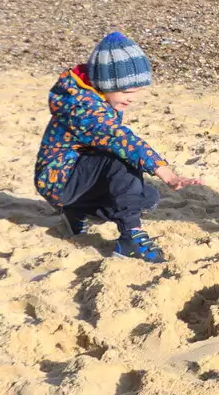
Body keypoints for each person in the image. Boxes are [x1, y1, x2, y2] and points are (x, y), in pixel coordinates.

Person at [34, 32, 201, 262]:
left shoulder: (95, 95)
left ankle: (75, 213)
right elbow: (121, 139)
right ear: (105, 83)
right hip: (59, 178)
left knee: (145, 196)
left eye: (137, 91)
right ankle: (130, 237)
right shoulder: (83, 107)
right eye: (126, 92)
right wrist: (167, 174)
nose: (132, 99)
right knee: (124, 161)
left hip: (75, 174)